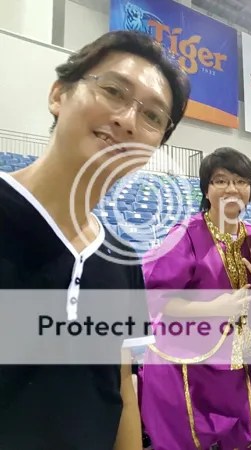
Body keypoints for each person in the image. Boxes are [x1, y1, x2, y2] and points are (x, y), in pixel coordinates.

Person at [0, 30, 190, 450]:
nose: (127, 120)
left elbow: (121, 389)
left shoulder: (121, 260)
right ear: (58, 94)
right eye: (113, 91)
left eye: (152, 116)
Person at [140, 147, 251, 450]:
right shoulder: (186, 235)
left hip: (239, 365)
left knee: (248, 438)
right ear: (206, 189)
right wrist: (215, 307)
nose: (232, 189)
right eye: (221, 181)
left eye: (241, 181)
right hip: (188, 369)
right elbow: (158, 299)